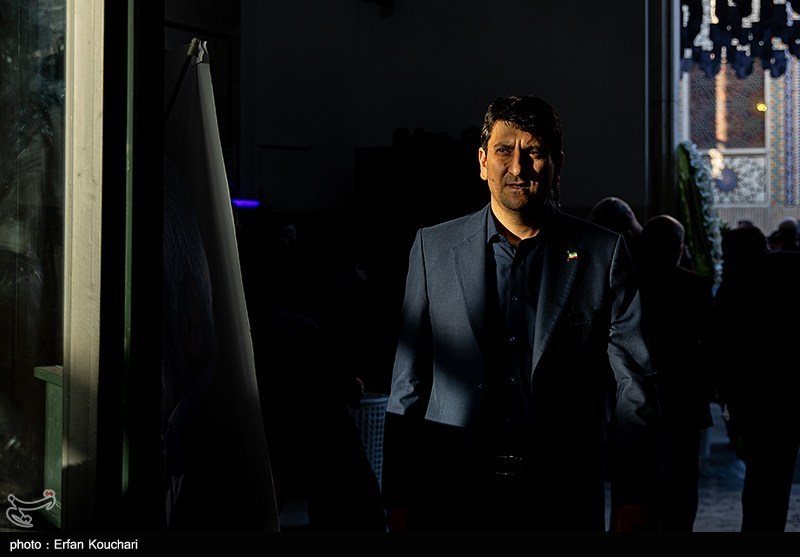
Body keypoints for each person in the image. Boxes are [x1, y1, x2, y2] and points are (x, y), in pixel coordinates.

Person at [381, 94, 661, 533]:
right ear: (482, 161)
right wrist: (399, 497)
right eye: (503, 150)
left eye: (534, 152)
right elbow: (408, 384)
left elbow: (634, 383)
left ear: (556, 164)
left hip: (561, 493)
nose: (518, 167)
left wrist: (635, 494)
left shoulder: (602, 254)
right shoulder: (432, 249)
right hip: (453, 491)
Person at [636, 215, 714, 532]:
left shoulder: (631, 283)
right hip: (685, 395)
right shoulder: (696, 286)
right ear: (679, 247)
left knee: (643, 477)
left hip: (640, 393)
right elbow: (711, 343)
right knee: (683, 477)